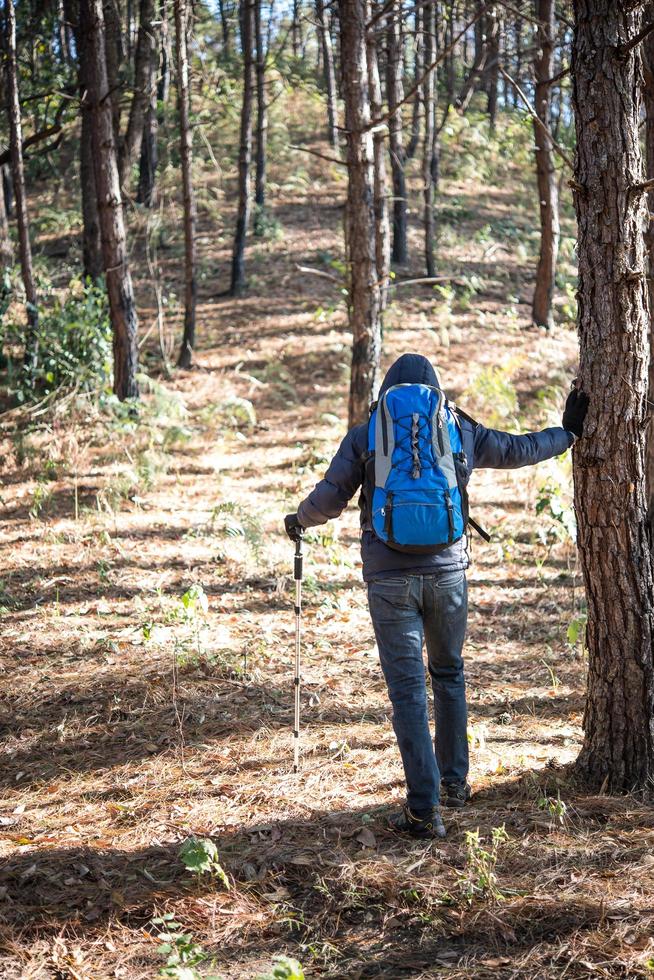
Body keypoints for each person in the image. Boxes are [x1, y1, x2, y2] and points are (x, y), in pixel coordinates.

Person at [284, 353, 588, 840]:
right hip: (448, 574)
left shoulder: (367, 434)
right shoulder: (457, 428)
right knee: (448, 673)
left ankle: (424, 811)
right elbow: (516, 450)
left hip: (388, 580)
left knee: (406, 693)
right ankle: (456, 782)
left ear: (386, 393)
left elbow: (330, 498)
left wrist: (299, 520)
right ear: (437, 392)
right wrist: (567, 433)